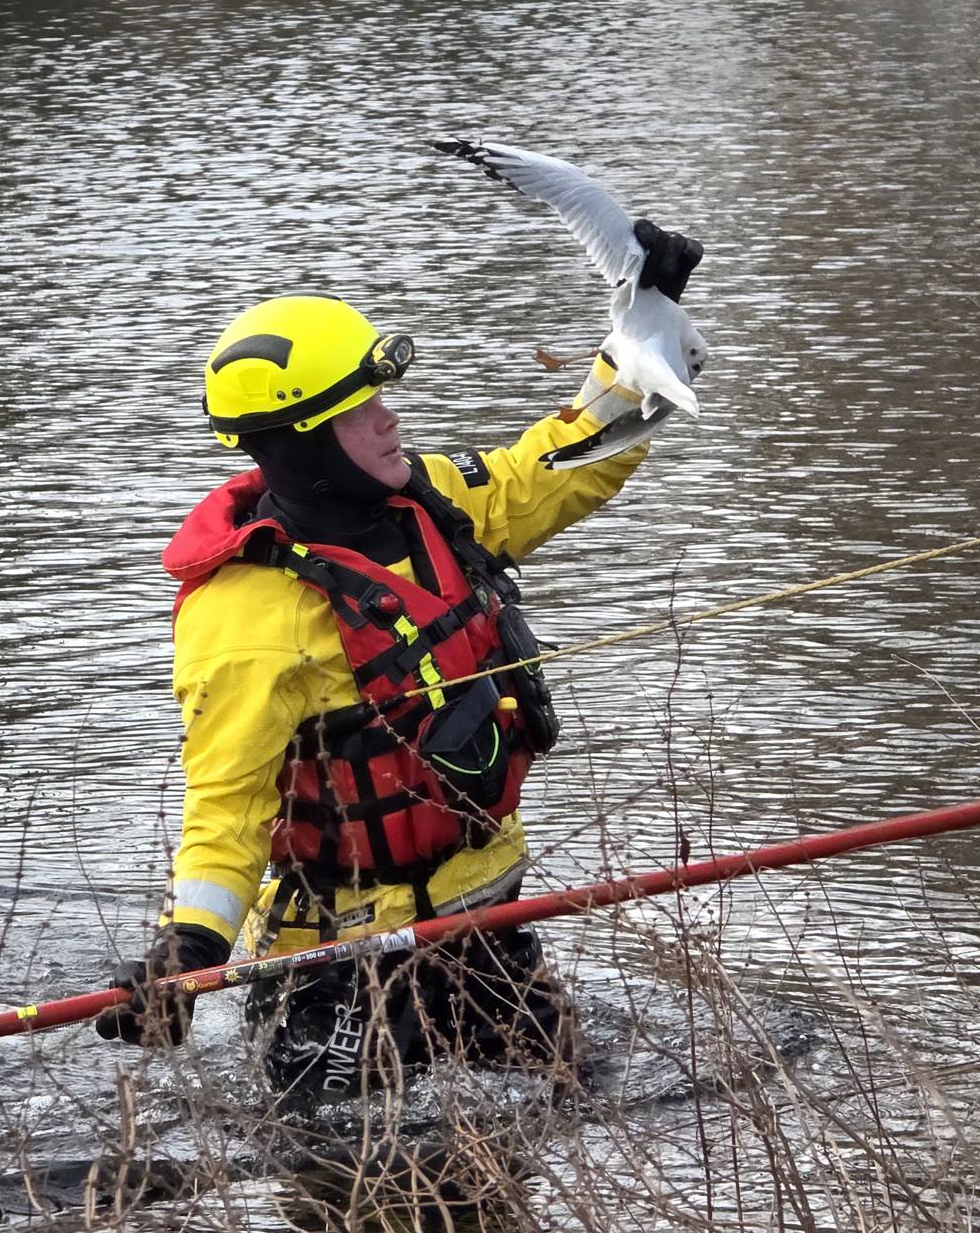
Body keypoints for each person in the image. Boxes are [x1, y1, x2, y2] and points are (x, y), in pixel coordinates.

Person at [95, 222, 704, 1105]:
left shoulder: (430, 503)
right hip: (342, 964)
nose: (390, 418)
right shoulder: (245, 614)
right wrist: (188, 949)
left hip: (486, 916)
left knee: (566, 1109)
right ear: (301, 438)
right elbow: (225, 801)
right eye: (359, 409)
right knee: (348, 1174)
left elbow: (554, 468)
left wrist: (643, 336)